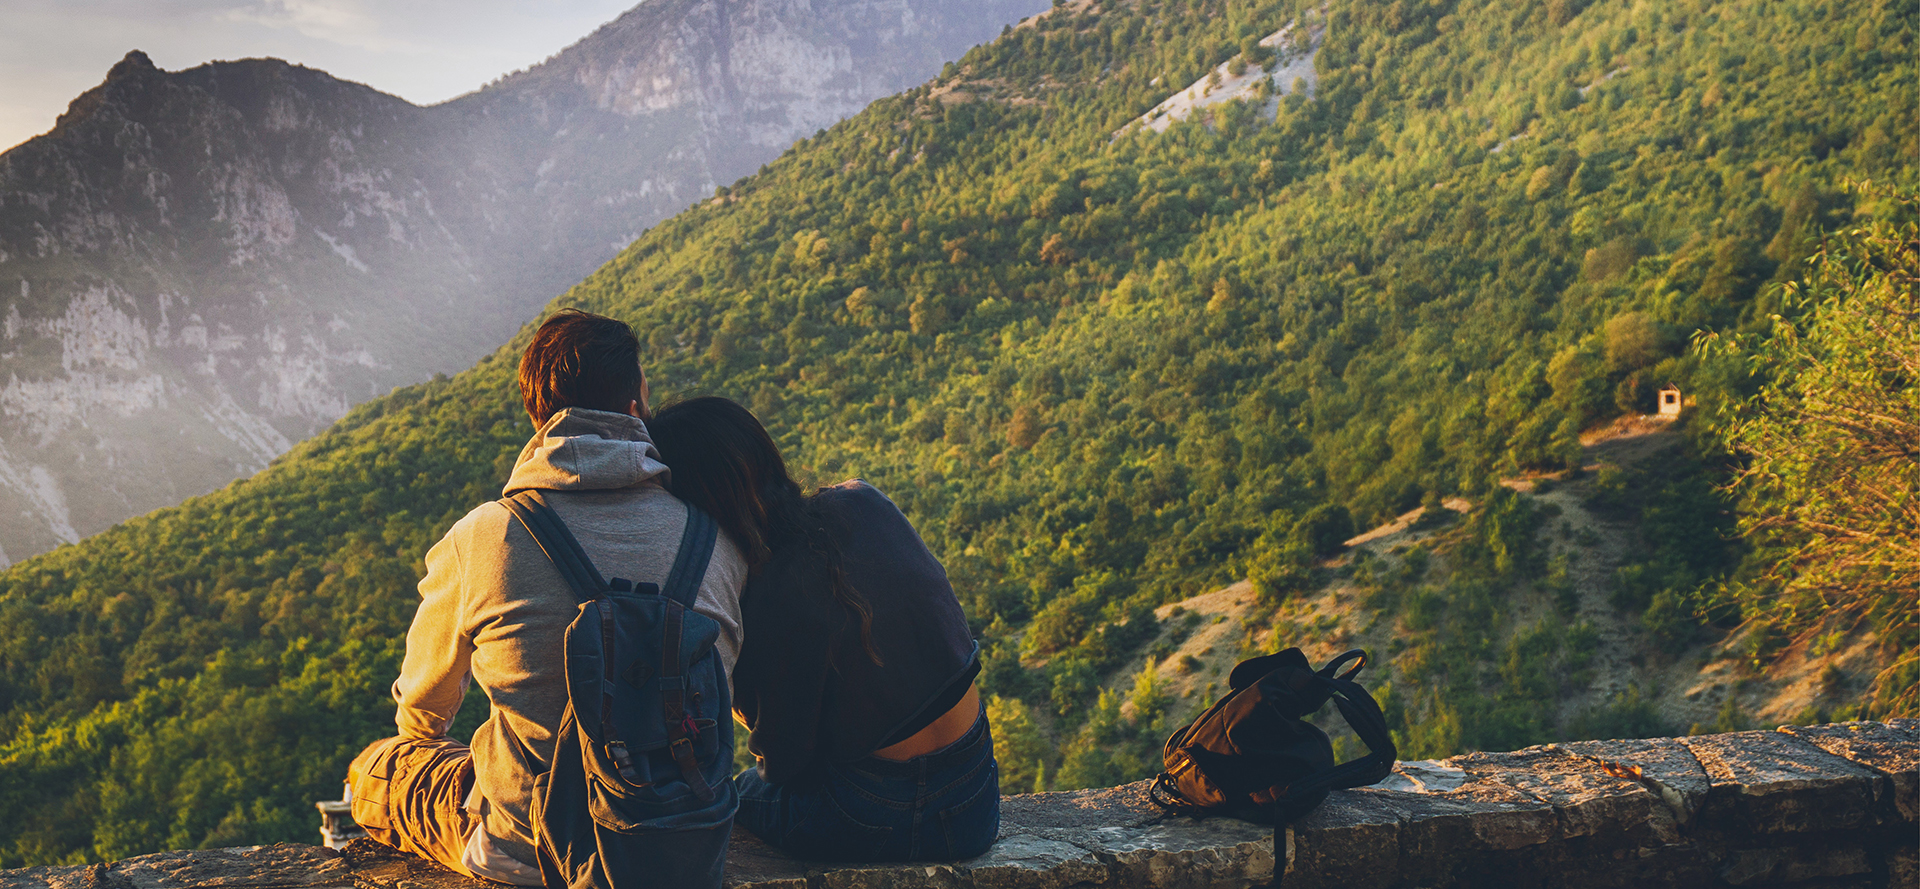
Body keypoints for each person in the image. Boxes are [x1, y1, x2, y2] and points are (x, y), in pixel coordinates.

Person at [346, 310, 748, 884]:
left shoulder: (485, 534)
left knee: (377, 768)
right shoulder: (716, 539)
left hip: (528, 847)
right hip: (677, 841)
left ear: (538, 418)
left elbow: (423, 706)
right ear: (636, 407)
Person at [647, 396, 997, 862]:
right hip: (977, 795)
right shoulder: (863, 501)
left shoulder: (766, 593)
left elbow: (784, 765)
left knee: (733, 795)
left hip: (872, 814)